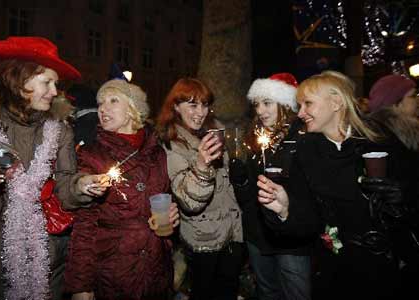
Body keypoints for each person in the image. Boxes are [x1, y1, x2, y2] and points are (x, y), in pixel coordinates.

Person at [257, 71, 405, 300]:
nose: (301, 112)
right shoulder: (304, 151)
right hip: (334, 272)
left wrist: (401, 198)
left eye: (308, 104)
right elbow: (309, 221)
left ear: (336, 102)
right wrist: (286, 209)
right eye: (299, 105)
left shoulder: (379, 139)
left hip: (384, 268)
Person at [0, 36, 81, 300]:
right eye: (47, 82)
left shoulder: (60, 131)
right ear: (18, 81)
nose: (55, 92)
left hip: (47, 265)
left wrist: (83, 186)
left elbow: (66, 188)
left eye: (56, 83)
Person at [63, 78, 180, 300]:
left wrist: (173, 214)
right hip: (113, 274)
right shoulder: (91, 155)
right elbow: (84, 225)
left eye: (113, 101)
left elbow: (165, 199)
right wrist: (81, 286)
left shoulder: (158, 153)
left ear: (132, 109)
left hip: (157, 270)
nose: (103, 109)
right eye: (100, 104)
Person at [156, 78, 244, 300]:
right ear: (176, 106)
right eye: (193, 105)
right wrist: (203, 165)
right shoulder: (170, 145)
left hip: (232, 234)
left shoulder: (208, 133)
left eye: (205, 105)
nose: (201, 112)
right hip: (204, 240)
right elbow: (190, 201)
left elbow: (227, 184)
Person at [229, 73, 312, 300]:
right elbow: (247, 197)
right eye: (257, 104)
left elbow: (310, 194)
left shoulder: (303, 137)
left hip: (291, 239)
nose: (261, 111)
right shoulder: (252, 139)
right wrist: (241, 180)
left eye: (267, 103)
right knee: (267, 292)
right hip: (258, 235)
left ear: (285, 104)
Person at [367, 74, 419, 297]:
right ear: (395, 101)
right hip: (400, 237)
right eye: (413, 95)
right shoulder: (380, 136)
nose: (417, 100)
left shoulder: (410, 131)